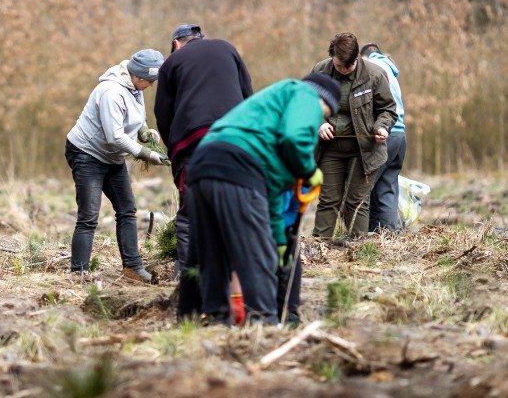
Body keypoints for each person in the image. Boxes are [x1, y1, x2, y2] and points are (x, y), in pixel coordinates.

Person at [177, 74, 341, 324]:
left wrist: (279, 242)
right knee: (256, 253)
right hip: (238, 166)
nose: (317, 123)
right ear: (324, 103)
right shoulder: (304, 93)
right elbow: (294, 137)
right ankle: (264, 323)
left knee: (213, 252)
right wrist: (309, 170)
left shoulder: (269, 135)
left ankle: (217, 321)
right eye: (323, 115)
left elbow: (272, 203)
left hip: (203, 164)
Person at [153, 24, 253, 271]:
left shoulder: (171, 63)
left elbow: (163, 114)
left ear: (176, 44)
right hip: (234, 137)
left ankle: (188, 276)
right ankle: (234, 271)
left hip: (193, 141)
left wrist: (173, 150)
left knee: (190, 212)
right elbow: (248, 94)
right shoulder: (228, 49)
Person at [66, 49, 167, 282]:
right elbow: (115, 136)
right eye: (150, 81)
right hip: (87, 154)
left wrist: (144, 131)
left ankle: (132, 268)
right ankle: (78, 273)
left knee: (127, 210)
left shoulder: (134, 87)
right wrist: (146, 153)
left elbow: (135, 117)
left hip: (112, 156)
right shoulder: (111, 91)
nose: (152, 85)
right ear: (139, 76)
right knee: (89, 216)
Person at [311, 32, 397, 239]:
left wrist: (382, 127)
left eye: (350, 65)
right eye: (340, 65)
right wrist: (320, 124)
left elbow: (387, 109)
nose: (345, 69)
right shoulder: (319, 72)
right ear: (332, 56)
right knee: (328, 200)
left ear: (357, 57)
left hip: (365, 150)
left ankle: (358, 248)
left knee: (356, 200)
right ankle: (320, 245)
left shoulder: (375, 75)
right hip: (330, 149)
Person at [360, 43, 406, 232]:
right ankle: (387, 237)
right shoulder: (391, 70)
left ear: (364, 57)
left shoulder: (373, 69)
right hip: (400, 135)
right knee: (386, 189)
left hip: (383, 135)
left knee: (363, 188)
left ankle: (359, 237)